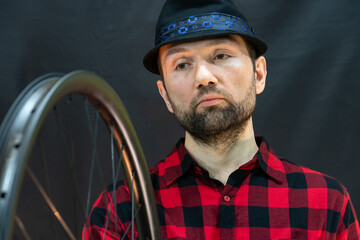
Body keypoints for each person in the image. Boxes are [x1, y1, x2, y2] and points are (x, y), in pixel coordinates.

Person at [83, 0, 360, 239]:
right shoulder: (120, 209)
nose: (204, 77)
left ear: (258, 74)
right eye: (182, 64)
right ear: (165, 95)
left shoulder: (326, 204)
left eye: (221, 55)